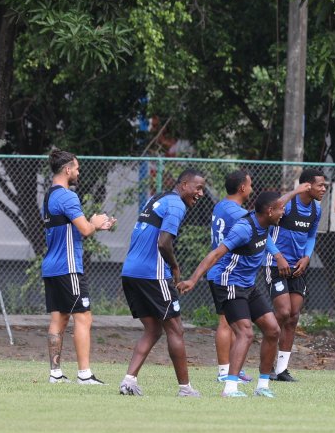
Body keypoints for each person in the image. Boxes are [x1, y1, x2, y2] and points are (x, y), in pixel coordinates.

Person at [179, 191, 285, 398]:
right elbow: (216, 253)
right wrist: (193, 279)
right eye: (281, 209)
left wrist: (278, 256)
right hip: (227, 283)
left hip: (248, 285)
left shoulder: (267, 225)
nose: (284, 212)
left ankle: (263, 385)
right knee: (245, 333)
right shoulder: (244, 229)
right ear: (270, 211)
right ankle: (230, 388)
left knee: (273, 329)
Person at [208, 171, 309, 384]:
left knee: (235, 324)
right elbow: (262, 223)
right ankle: (225, 373)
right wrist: (277, 255)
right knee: (229, 324)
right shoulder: (239, 214)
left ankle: (231, 370)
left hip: (224, 271)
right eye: (250, 184)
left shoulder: (220, 205)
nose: (252, 188)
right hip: (226, 273)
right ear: (242, 188)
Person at [118, 168, 206, 397]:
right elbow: (163, 242)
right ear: (184, 184)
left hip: (131, 271)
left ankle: (128, 381)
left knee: (154, 328)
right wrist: (175, 268)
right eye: (198, 188)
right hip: (152, 274)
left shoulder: (157, 198)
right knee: (175, 328)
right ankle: (185, 388)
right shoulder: (176, 205)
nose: (201, 193)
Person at [41, 149, 117, 385]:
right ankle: (84, 375)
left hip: (52, 267)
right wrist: (93, 223)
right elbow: (84, 229)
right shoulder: (68, 196)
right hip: (69, 267)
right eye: (76, 168)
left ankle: (55, 373)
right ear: (67, 169)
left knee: (59, 319)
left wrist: (97, 225)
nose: (78, 172)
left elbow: (71, 229)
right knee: (83, 318)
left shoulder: (50, 196)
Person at [266, 168, 328, 382]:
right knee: (282, 312)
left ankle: (282, 369)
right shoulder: (287, 205)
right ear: (307, 185)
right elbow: (264, 224)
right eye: (320, 185)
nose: (324, 189)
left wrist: (307, 257)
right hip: (276, 265)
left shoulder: (316, 210)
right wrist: (278, 256)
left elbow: (311, 236)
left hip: (298, 267)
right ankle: (267, 363)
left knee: (293, 317)